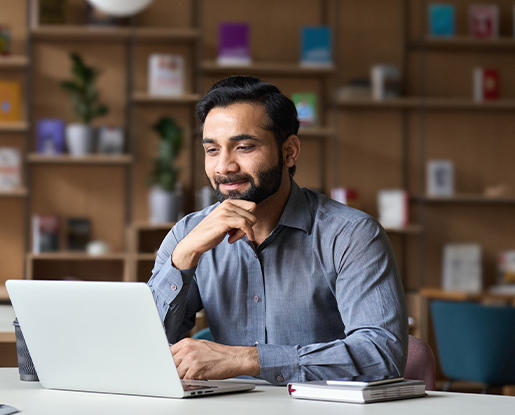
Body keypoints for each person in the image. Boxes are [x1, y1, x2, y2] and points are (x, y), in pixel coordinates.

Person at [147, 75, 408, 385]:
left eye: (243, 147)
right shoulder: (187, 235)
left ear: (289, 152)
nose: (224, 167)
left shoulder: (352, 235)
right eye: (213, 150)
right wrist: (184, 258)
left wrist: (249, 359)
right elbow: (142, 349)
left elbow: (382, 355)